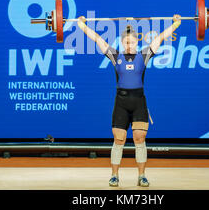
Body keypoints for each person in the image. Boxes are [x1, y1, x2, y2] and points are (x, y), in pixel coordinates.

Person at [77, 15, 181, 187]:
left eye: (132, 42)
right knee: (119, 140)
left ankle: (142, 176)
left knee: (140, 139)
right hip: (121, 102)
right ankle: (114, 176)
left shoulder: (144, 55)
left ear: (136, 43)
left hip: (139, 101)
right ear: (122, 43)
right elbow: (97, 38)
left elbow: (161, 37)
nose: (129, 45)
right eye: (126, 43)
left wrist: (176, 23)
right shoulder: (115, 55)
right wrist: (81, 25)